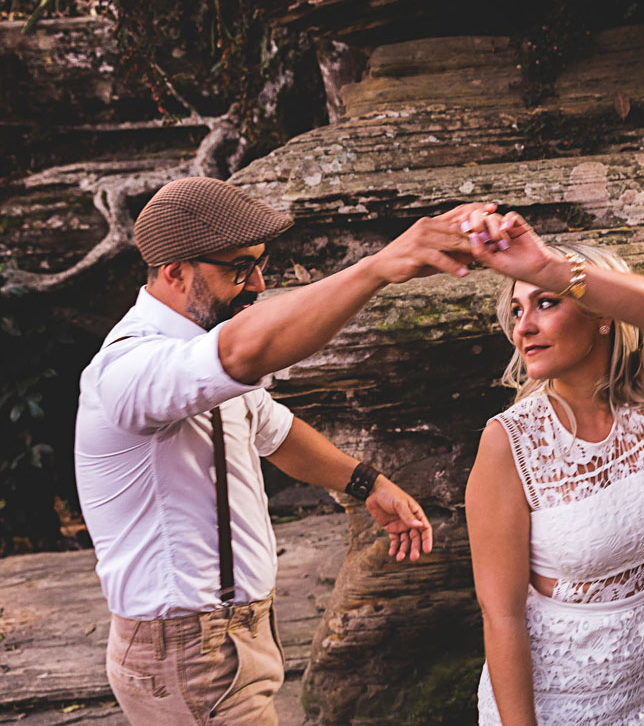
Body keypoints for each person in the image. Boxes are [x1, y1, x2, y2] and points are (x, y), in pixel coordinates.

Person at [74, 176, 493, 725]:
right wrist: (378, 268)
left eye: (260, 263)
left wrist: (368, 483)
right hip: (186, 653)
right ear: (175, 271)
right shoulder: (128, 369)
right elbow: (247, 351)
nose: (258, 283)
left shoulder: (197, 350)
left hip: (227, 640)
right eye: (239, 268)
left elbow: (274, 431)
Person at [462, 209, 644, 724]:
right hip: (562, 709)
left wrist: (551, 269)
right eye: (517, 310)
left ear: (602, 314)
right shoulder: (509, 443)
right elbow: (501, 616)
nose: (524, 326)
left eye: (546, 302)